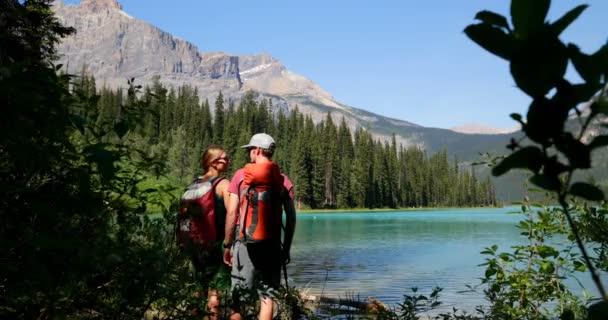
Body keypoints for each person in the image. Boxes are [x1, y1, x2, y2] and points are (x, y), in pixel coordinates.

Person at [223, 133, 296, 320]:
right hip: (271, 244)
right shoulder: (282, 179)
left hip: (244, 243)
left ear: (257, 150)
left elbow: (232, 213)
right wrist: (285, 248)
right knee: (267, 297)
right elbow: (291, 217)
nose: (249, 154)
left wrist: (227, 244)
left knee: (238, 299)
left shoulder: (240, 176)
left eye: (249, 150)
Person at [180, 146, 232, 320]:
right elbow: (232, 214)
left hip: (195, 244)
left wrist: (183, 240)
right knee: (215, 290)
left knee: (198, 286)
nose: (228, 161)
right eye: (225, 158)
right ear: (214, 163)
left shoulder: (194, 184)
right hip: (215, 244)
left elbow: (184, 216)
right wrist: (229, 243)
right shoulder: (224, 184)